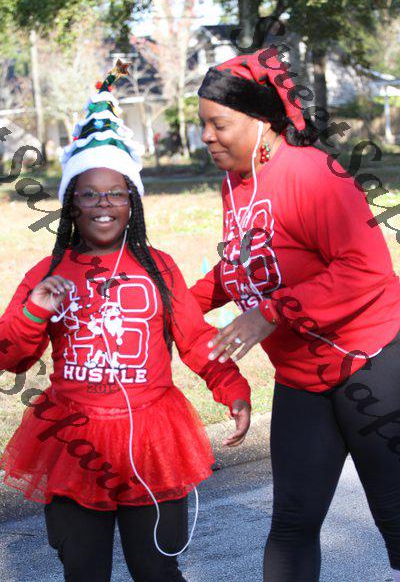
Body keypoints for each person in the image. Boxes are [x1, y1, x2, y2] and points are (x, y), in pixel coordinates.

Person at [0, 61, 251, 582]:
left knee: (156, 569)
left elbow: (195, 338)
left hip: (152, 436)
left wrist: (231, 388)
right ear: (71, 204)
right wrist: (34, 311)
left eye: (116, 192)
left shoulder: (160, 267)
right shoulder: (47, 272)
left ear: (132, 201)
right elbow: (11, 356)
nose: (103, 204)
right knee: (83, 570)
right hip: (74, 440)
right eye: (89, 193)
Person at [190, 46, 400, 581]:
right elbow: (246, 263)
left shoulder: (313, 173)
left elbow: (366, 269)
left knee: (397, 518)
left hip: (371, 363)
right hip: (302, 378)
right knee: (292, 523)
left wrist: (270, 313)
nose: (206, 136)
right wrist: (177, 303)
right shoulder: (236, 182)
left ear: (261, 123)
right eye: (203, 125)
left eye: (219, 124)